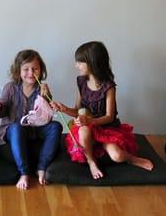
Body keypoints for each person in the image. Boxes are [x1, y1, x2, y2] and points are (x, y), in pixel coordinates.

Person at [52, 41, 153, 179]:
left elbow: (109, 117)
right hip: (88, 128)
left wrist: (90, 120)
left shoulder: (108, 86)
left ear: (93, 62)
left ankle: (132, 159)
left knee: (117, 155)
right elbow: (77, 110)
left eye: (80, 62)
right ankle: (91, 161)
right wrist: (64, 109)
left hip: (106, 127)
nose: (76, 66)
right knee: (83, 130)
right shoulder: (81, 82)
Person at [0, 49, 62, 190]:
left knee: (56, 126)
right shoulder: (10, 87)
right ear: (18, 71)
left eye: (35, 69)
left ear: (41, 70)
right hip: (12, 134)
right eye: (26, 69)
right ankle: (24, 173)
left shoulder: (41, 88)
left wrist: (47, 97)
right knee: (17, 127)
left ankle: (41, 168)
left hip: (35, 132)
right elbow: (1, 112)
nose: (31, 73)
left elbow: (48, 114)